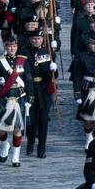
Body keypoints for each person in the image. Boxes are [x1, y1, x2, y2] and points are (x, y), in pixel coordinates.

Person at [0, 39, 31, 167]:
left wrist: (31, 98)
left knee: (17, 129)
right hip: (5, 97)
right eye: (9, 46)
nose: (12, 48)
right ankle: (5, 146)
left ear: (17, 46)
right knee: (1, 130)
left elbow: (28, 79)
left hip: (19, 98)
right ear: (5, 47)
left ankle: (16, 157)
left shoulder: (23, 60)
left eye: (14, 46)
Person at [22, 30, 56, 158]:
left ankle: (42, 148)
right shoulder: (25, 51)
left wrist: (53, 69)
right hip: (29, 89)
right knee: (30, 120)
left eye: (39, 38)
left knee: (43, 122)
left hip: (43, 89)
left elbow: (53, 75)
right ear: (30, 39)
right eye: (34, 38)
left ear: (43, 39)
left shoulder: (47, 51)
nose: (36, 41)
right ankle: (30, 142)